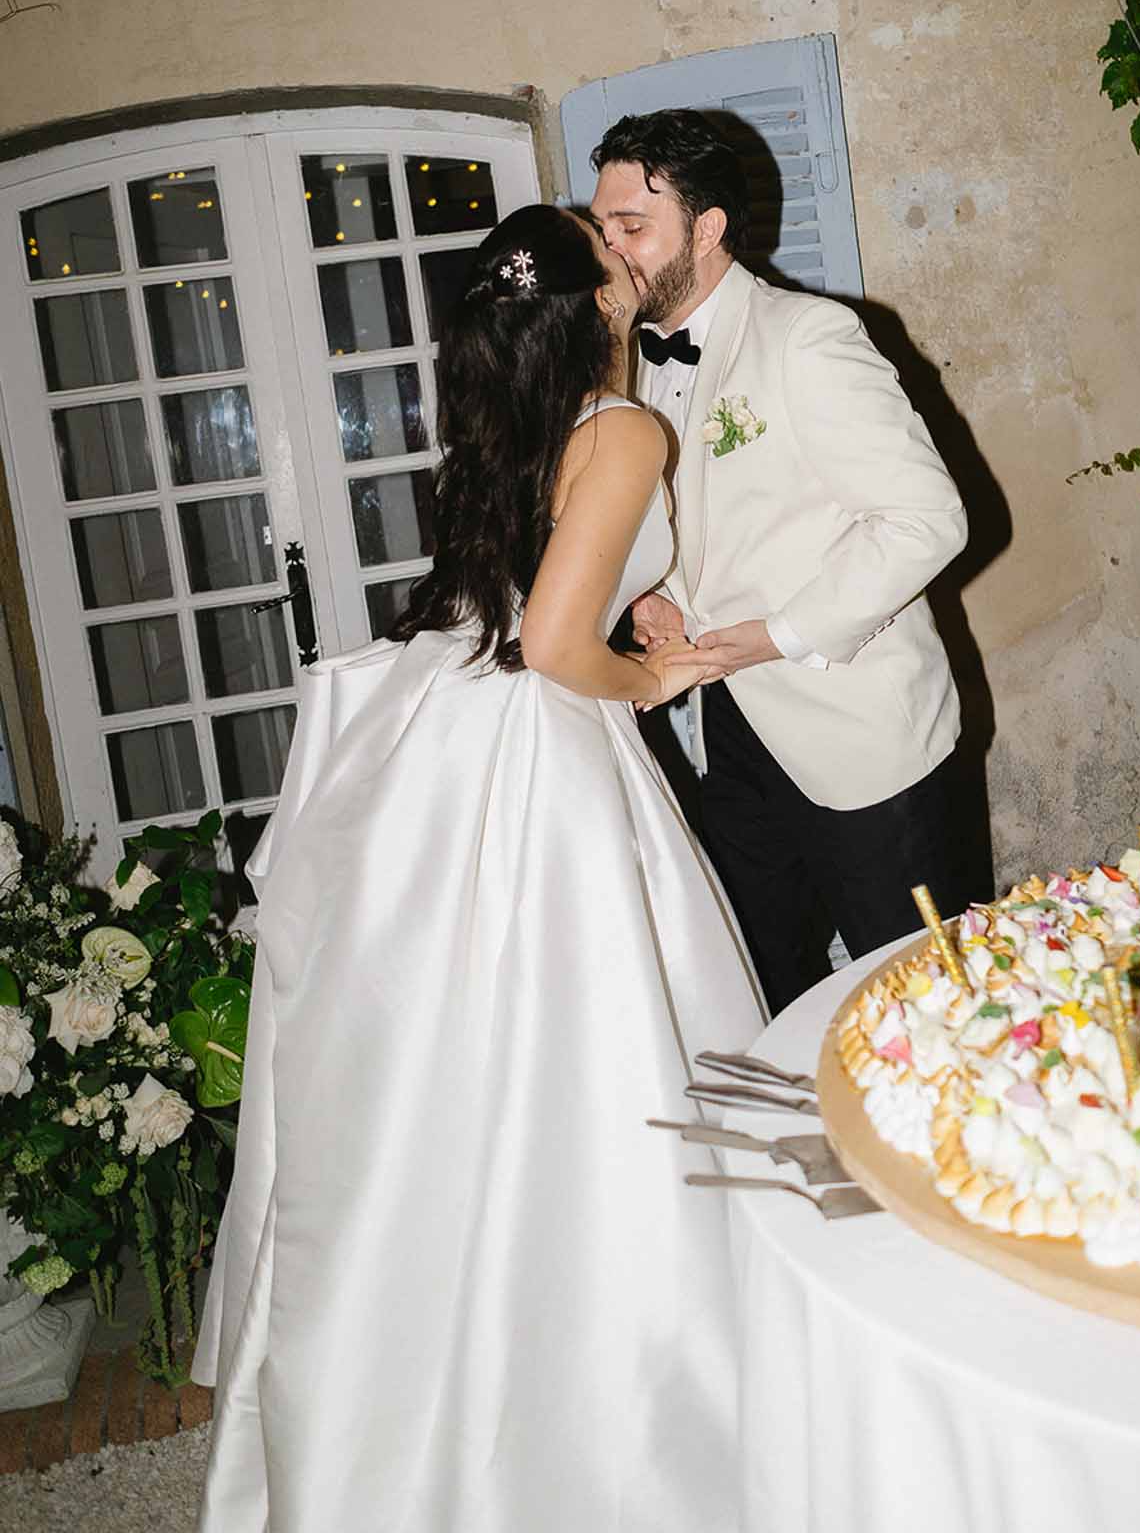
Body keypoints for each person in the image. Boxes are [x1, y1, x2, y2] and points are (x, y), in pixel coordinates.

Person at [192, 204, 764, 1533]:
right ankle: (593, 1408)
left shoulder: (514, 424)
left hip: (443, 735)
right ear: (604, 297)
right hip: (535, 759)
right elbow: (561, 645)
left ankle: (425, 1385)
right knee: (582, 1059)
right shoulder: (622, 429)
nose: (632, 245)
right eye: (609, 240)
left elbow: (522, 587)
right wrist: (649, 671)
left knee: (448, 1068)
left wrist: (635, 601)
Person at [590, 109, 975, 1018]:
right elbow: (690, 522)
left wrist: (782, 635)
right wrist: (655, 595)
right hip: (725, 740)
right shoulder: (628, 365)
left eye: (633, 229)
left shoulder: (809, 336)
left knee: (928, 1009)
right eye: (603, 230)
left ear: (709, 226)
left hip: (866, 741)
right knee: (762, 1000)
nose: (610, 254)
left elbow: (926, 519)